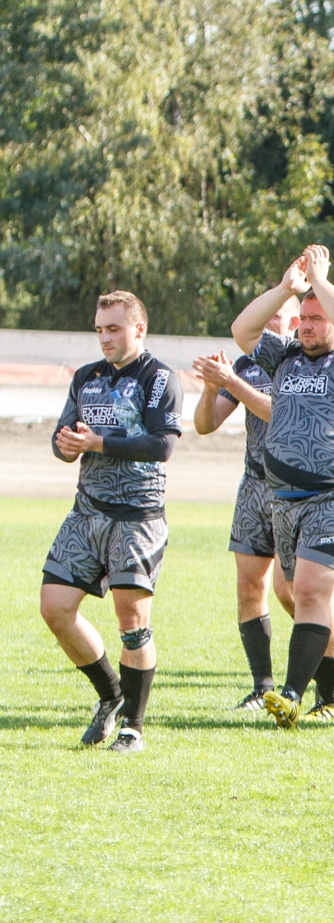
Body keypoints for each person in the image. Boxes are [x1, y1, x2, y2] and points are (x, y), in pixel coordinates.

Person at [231, 246, 334, 728]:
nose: (308, 326)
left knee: (312, 588)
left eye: (317, 318)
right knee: (299, 594)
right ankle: (332, 699)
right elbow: (243, 331)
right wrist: (287, 290)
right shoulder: (286, 358)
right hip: (285, 502)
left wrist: (321, 280)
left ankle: (290, 695)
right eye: (304, 318)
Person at [39, 291, 182, 753]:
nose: (105, 337)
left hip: (137, 517)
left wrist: (98, 443)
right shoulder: (86, 377)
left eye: (113, 328)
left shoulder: (159, 378)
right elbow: (64, 439)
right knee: (54, 606)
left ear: (138, 329)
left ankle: (134, 728)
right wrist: (65, 445)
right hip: (87, 512)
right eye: (100, 329)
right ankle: (110, 696)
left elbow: (161, 445)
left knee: (132, 621)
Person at [192, 297, 300, 709]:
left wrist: (233, 384)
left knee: (292, 593)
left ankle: (327, 673)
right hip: (253, 486)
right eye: (265, 317)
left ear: (294, 323)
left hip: (294, 488)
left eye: (278, 318)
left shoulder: (299, 365)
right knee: (249, 586)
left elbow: (283, 415)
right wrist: (210, 388)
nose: (270, 325)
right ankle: (262, 687)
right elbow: (205, 425)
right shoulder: (245, 365)